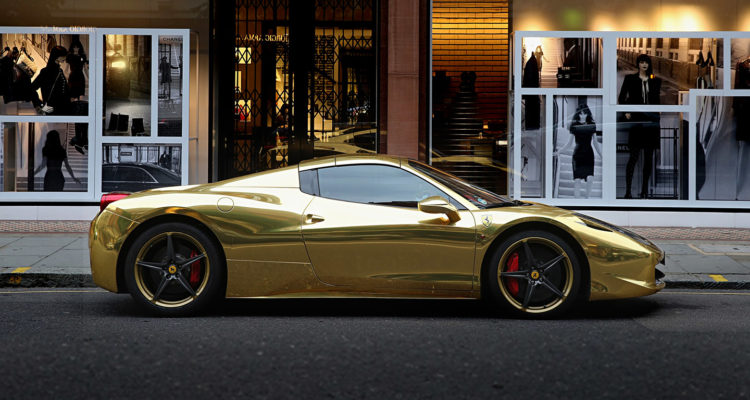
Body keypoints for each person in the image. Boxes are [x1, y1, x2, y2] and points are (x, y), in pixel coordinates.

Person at [618, 53, 662, 199]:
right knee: (634, 156)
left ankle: (644, 191)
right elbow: (621, 98)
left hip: (650, 122)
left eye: (646, 63)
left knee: (649, 158)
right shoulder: (630, 79)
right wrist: (626, 112)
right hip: (637, 121)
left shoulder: (655, 81)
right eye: (642, 62)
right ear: (638, 64)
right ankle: (628, 191)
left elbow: (656, 101)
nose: (644, 65)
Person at [556, 102, 602, 198]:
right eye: (581, 113)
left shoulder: (592, 125)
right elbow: (569, 144)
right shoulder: (575, 126)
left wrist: (602, 155)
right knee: (577, 180)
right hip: (577, 155)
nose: (583, 115)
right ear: (578, 114)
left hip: (589, 154)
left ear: (587, 114)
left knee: (590, 179)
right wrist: (558, 152)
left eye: (585, 113)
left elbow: (595, 143)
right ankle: (577, 202)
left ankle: (587, 199)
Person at [31, 46, 70, 115]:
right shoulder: (46, 72)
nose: (65, 57)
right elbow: (32, 88)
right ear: (57, 56)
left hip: (63, 109)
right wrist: (39, 105)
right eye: (63, 55)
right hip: (52, 110)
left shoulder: (59, 71)